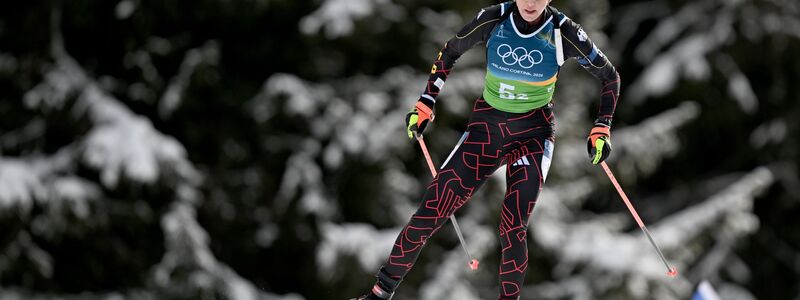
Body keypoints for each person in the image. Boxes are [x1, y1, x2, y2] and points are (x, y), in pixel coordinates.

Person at [355, 0, 620, 299]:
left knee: (512, 224)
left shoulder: (563, 32)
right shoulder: (494, 19)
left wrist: (602, 127)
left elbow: (609, 77)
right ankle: (379, 294)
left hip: (532, 137)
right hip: (486, 131)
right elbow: (451, 51)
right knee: (430, 210)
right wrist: (426, 102)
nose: (531, 3)